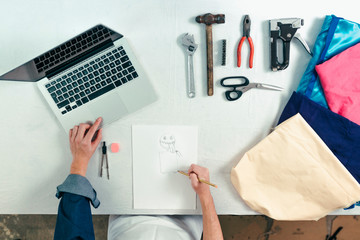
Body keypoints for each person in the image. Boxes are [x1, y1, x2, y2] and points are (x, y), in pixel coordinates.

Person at [54, 117, 223, 240]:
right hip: (185, 221)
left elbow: (71, 234)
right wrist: (205, 196)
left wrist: (79, 163)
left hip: (126, 218)